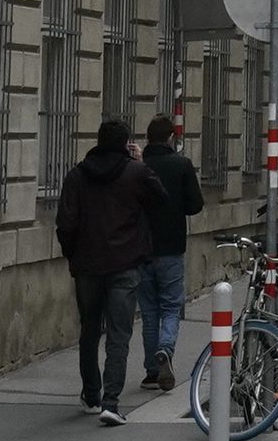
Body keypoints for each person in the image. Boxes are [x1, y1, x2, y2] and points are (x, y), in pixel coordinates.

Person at [52, 115, 162, 423]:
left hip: (87, 266)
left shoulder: (76, 175)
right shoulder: (136, 173)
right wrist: (142, 163)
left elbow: (66, 223)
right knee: (119, 334)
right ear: (126, 144)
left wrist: (73, 255)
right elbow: (162, 201)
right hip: (125, 263)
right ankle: (111, 404)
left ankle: (91, 394)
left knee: (89, 331)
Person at [136, 114, 203, 393]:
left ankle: (152, 371)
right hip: (172, 247)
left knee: (149, 311)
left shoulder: (138, 167)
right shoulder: (182, 165)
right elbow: (195, 205)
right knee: (171, 307)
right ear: (171, 138)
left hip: (141, 249)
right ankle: (165, 349)